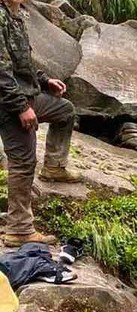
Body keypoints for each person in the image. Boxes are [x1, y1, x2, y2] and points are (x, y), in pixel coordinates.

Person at [0, 0, 82, 247]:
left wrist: (45, 81)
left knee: (65, 111)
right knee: (23, 162)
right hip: (8, 104)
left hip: (25, 95)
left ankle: (55, 167)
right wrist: (21, 107)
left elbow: (21, 63)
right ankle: (19, 228)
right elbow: (1, 72)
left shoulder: (15, 16)